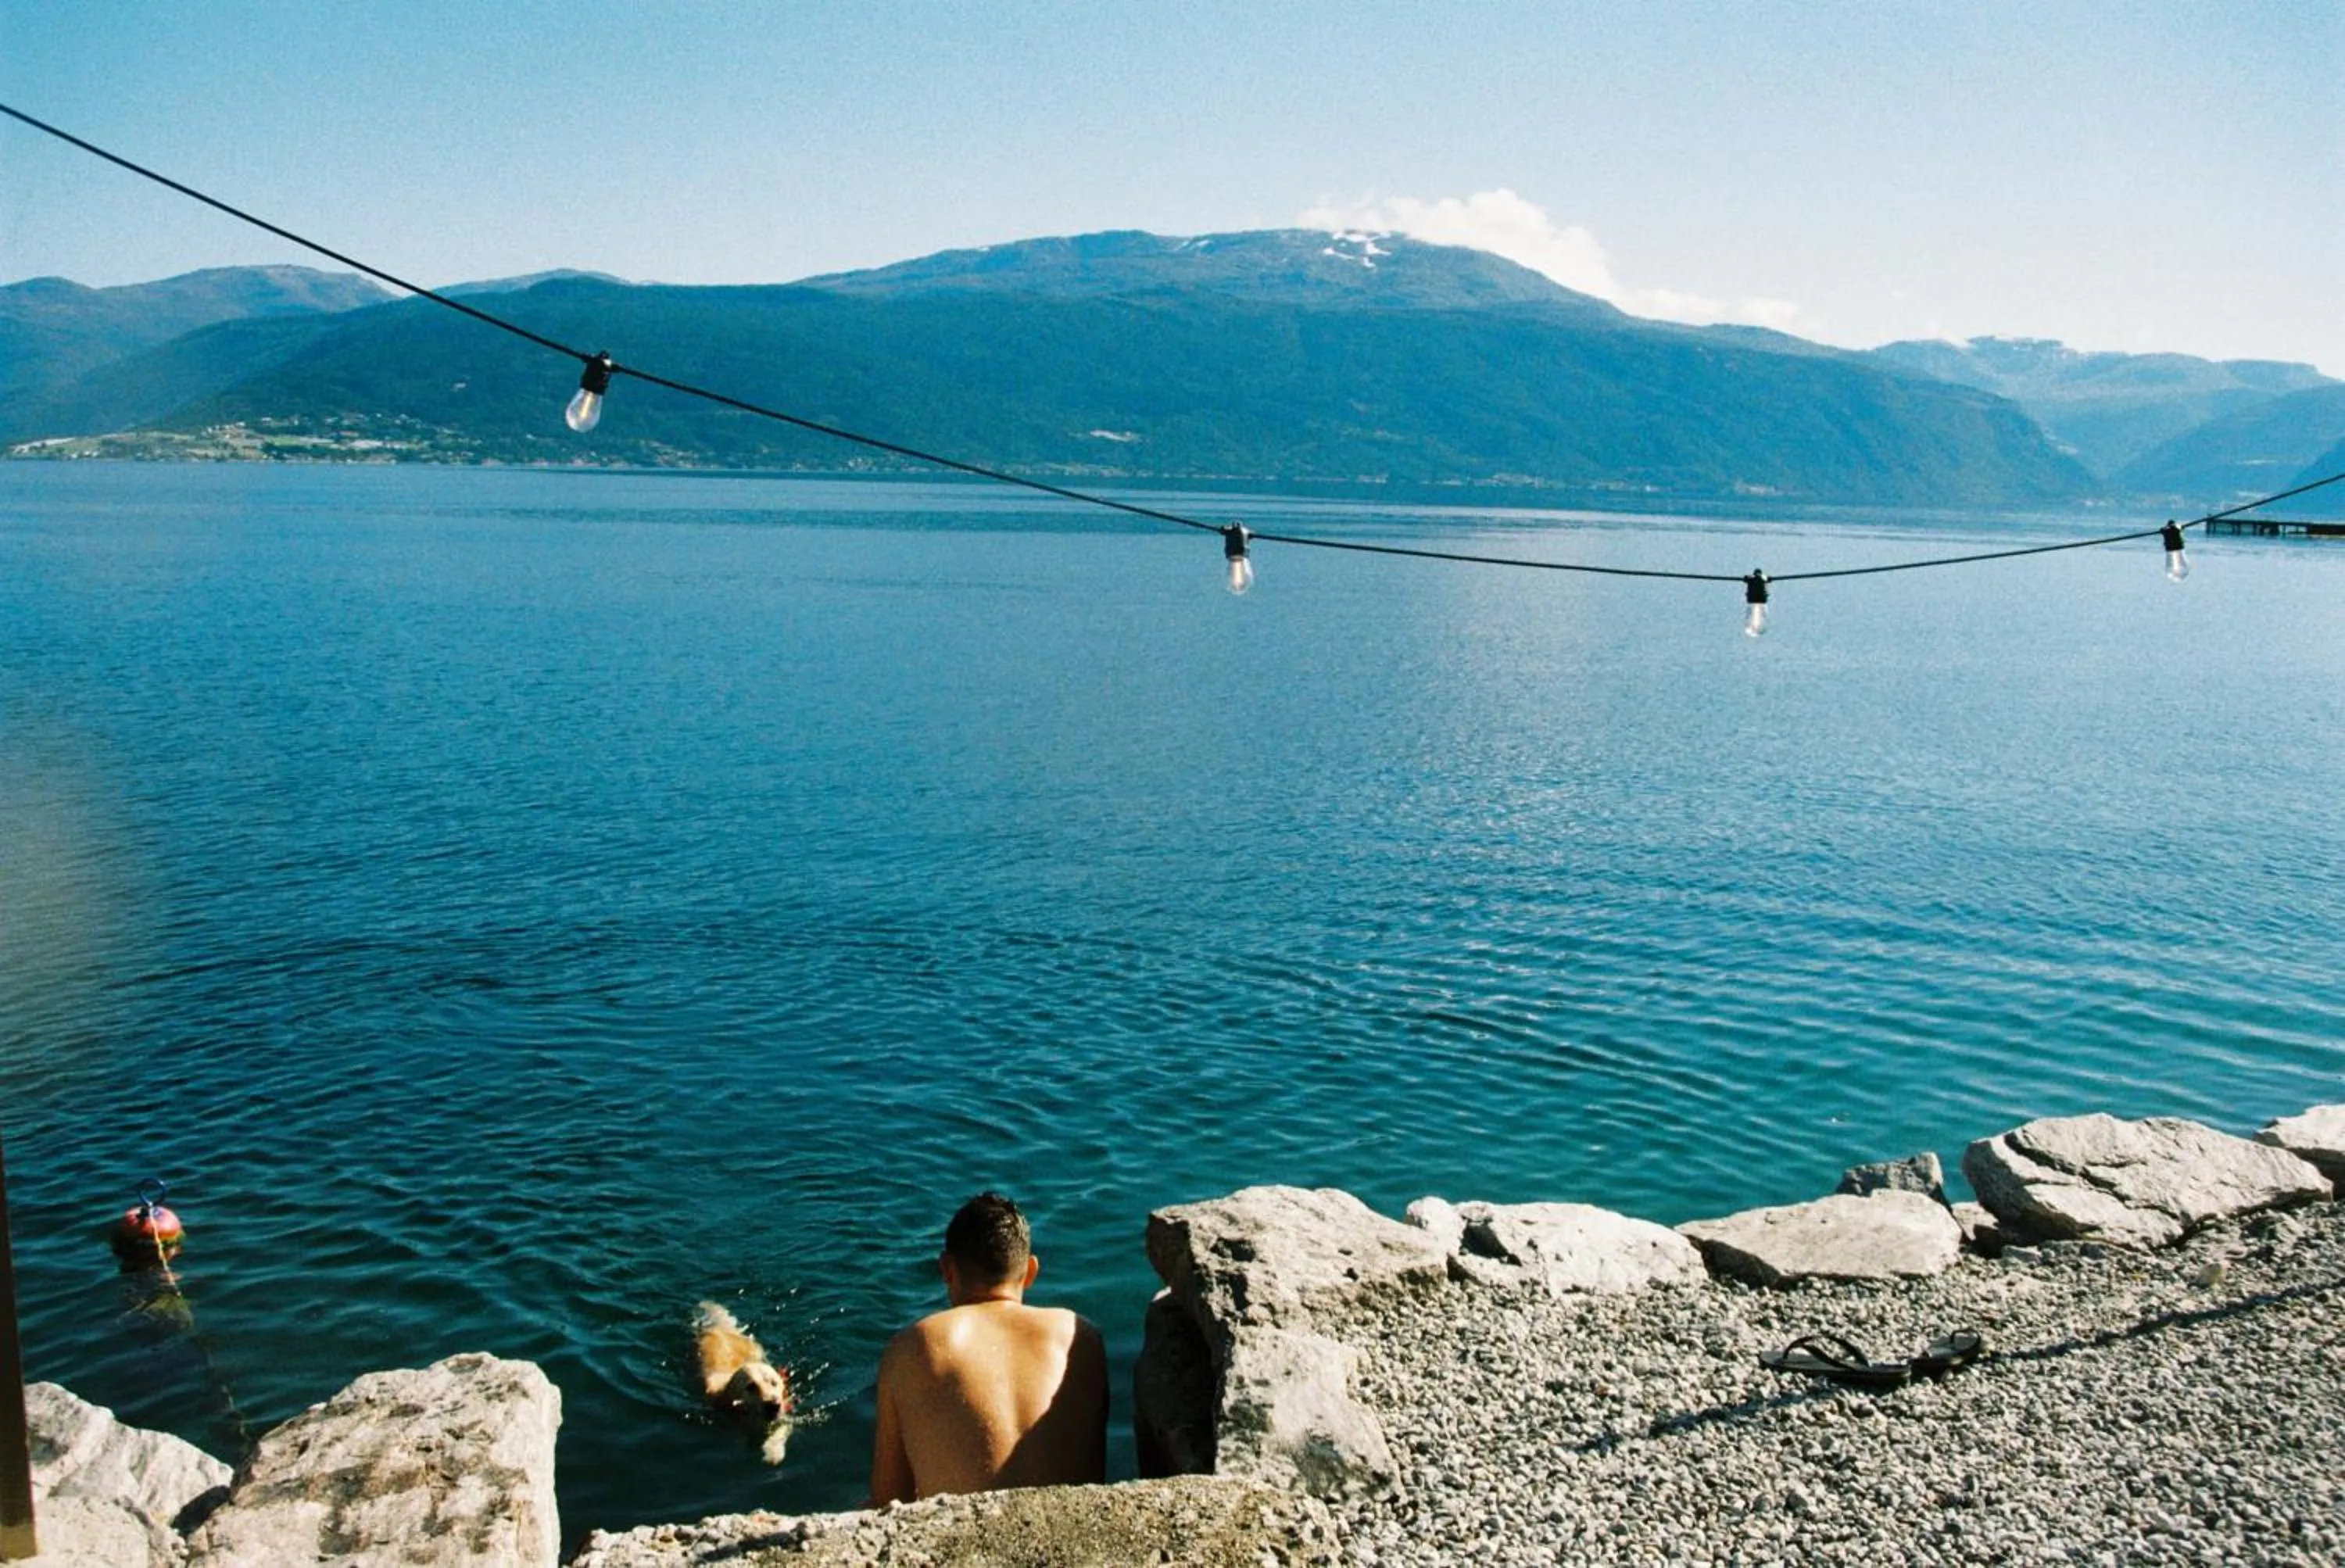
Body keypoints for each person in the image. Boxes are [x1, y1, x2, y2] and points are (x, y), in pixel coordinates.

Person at [869, 1192, 1107, 1504]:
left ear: (946, 1270)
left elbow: (890, 1500)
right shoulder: (1081, 1337)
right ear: (1030, 1272)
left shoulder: (913, 1346)